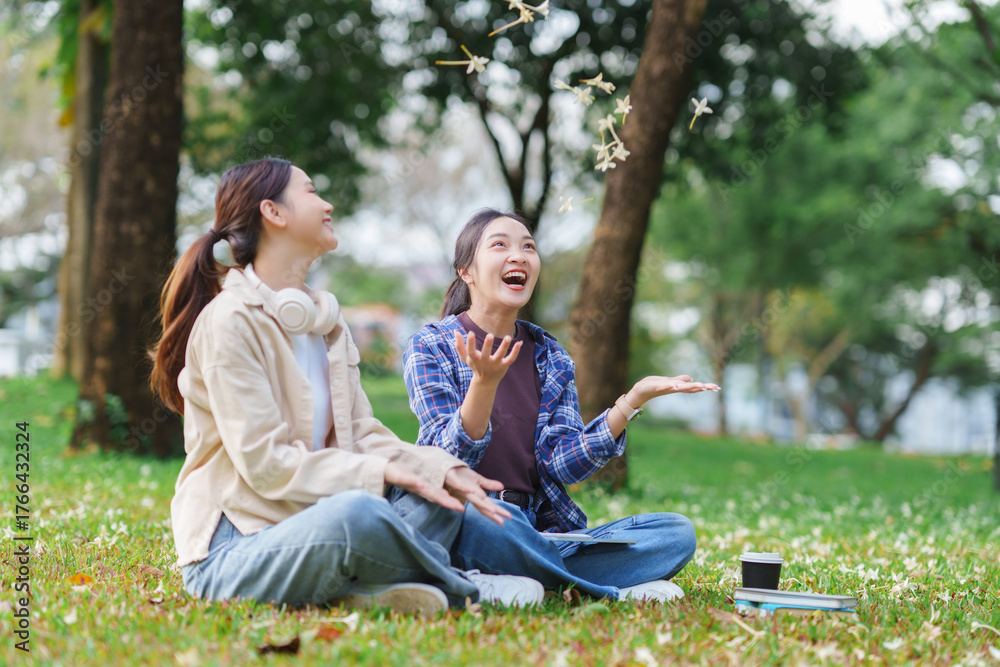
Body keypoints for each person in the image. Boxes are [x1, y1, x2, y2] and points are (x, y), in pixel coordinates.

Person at [149, 159, 543, 616]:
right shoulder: (229, 322)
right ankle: (460, 586)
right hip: (237, 549)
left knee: (438, 493)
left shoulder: (325, 324)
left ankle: (364, 588)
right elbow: (266, 464)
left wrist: (440, 468)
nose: (327, 205)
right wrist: (380, 474)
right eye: (311, 192)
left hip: (316, 528)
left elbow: (363, 434)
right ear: (273, 212)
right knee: (359, 512)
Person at [400, 208, 720, 603]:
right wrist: (483, 385)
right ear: (466, 271)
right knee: (494, 521)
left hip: (537, 532)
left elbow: (562, 465)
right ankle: (601, 590)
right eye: (500, 245)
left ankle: (528, 582)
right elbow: (444, 457)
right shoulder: (431, 345)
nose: (518, 256)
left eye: (528, 247)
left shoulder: (549, 355)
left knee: (674, 534)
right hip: (466, 519)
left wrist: (631, 402)